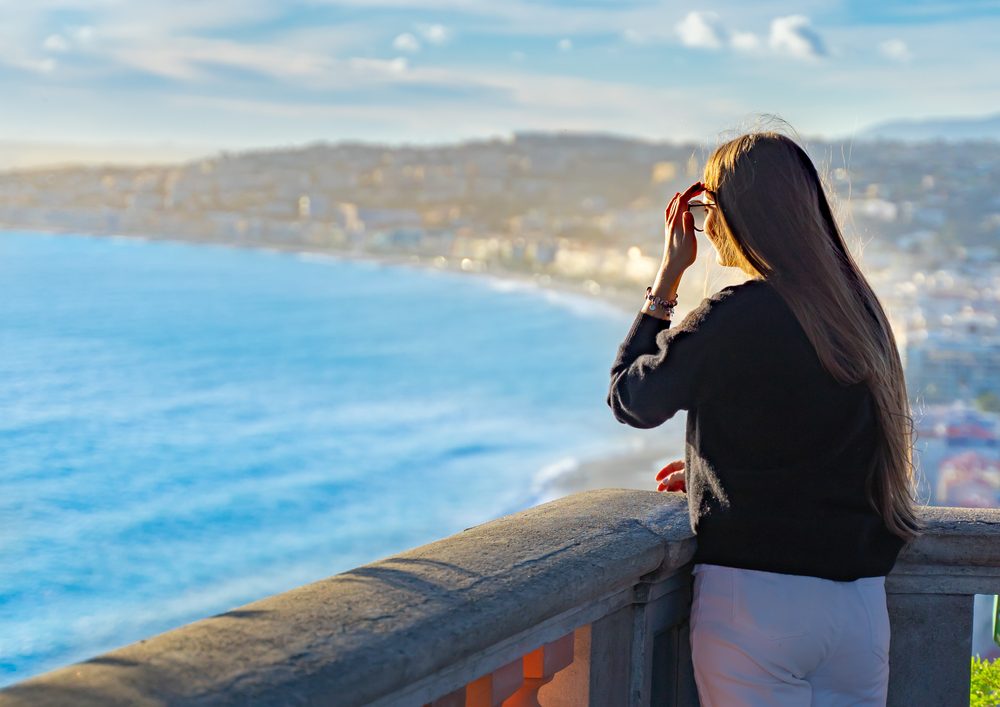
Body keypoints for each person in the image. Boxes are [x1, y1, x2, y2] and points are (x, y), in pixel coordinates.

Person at [606, 129, 925, 706]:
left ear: (733, 216)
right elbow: (815, 431)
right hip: (857, 608)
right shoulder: (857, 311)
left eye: (709, 212)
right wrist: (713, 473)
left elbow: (632, 398)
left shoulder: (735, 316)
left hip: (756, 602)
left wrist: (667, 279)